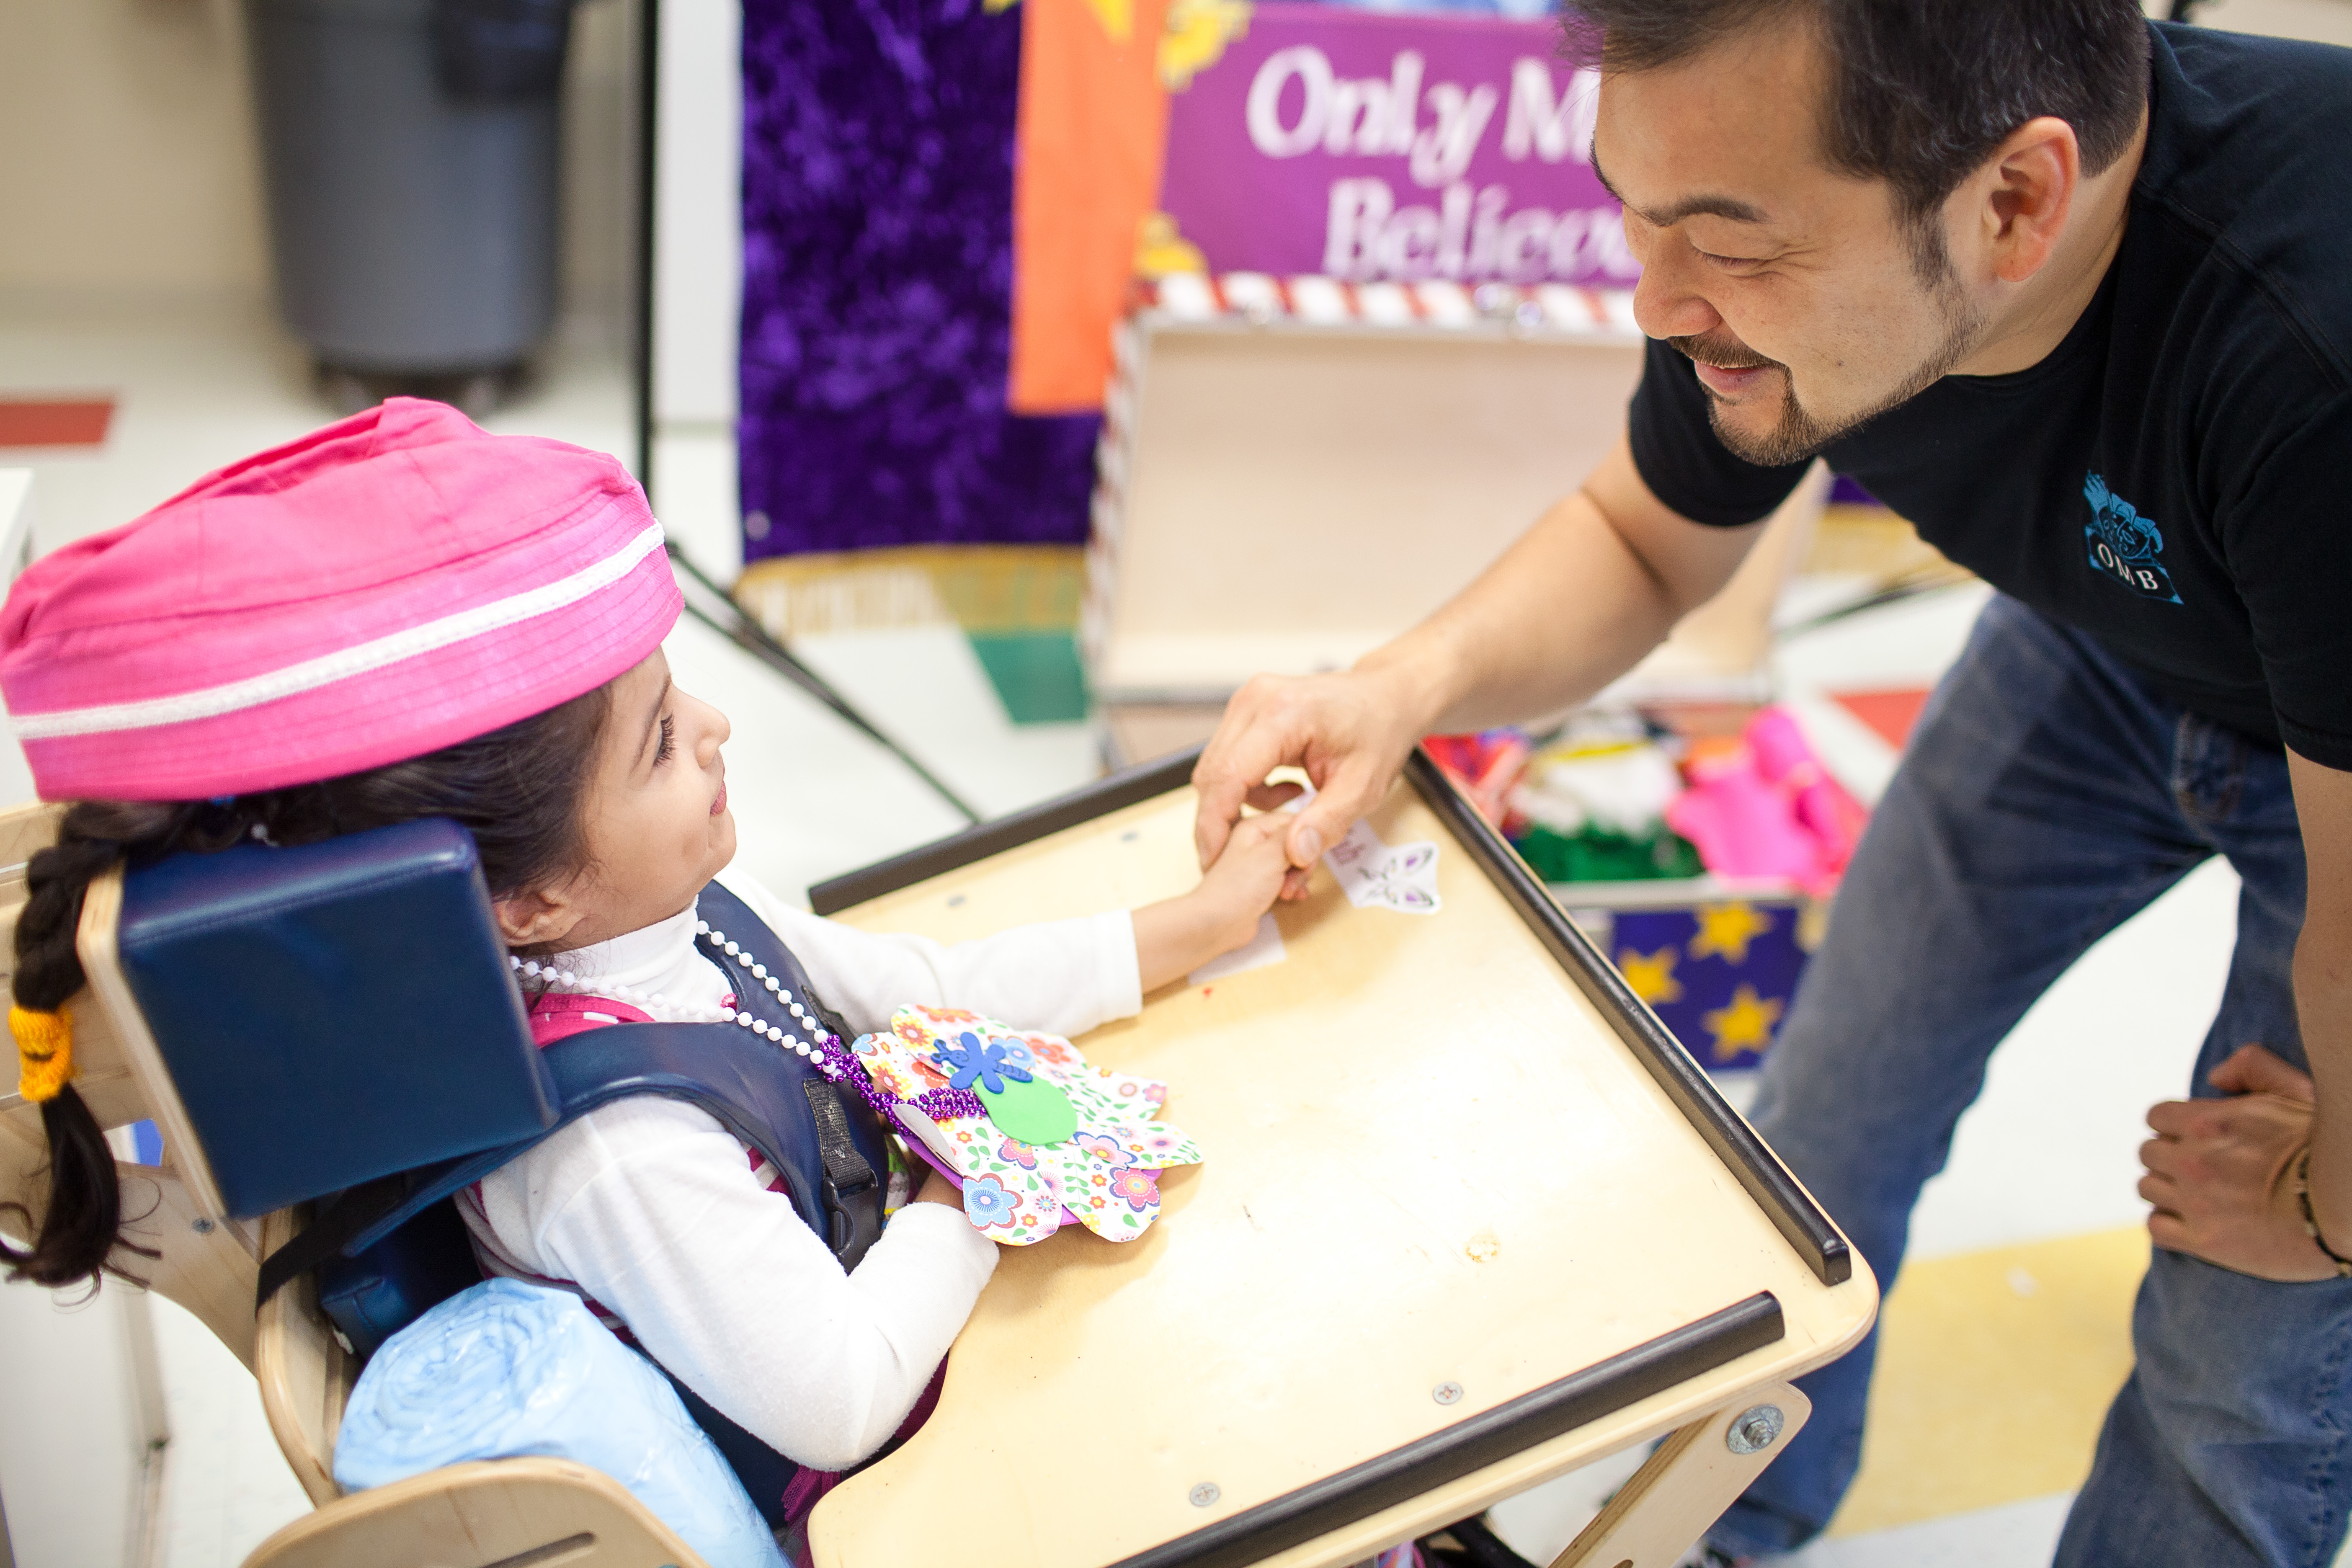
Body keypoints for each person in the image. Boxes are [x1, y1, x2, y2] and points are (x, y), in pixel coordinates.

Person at [1191, 5, 2352, 1564]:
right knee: (1827, 1114)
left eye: (1727, 244)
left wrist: (2335, 1211)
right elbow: (1647, 539)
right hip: (2111, 640)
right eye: (1631, 209)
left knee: (2248, 1354)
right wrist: (1398, 688)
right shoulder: (1803, 251)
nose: (1658, 298)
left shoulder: (2302, 350)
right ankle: (1734, 1518)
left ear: (2015, 203)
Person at [0, 400, 1292, 1501]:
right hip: (878, 1464)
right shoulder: (617, 1157)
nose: (722, 727)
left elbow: (921, 996)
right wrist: (971, 1196)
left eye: (679, 699)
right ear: (531, 898)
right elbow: (842, 1399)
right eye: (665, 740)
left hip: (918, 1307)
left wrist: (1203, 922)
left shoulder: (655, 921)